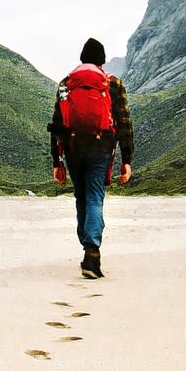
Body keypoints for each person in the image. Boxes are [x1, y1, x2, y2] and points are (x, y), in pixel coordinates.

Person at [48, 37, 134, 279]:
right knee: (95, 196)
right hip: (101, 147)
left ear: (82, 59)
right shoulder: (112, 83)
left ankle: (86, 245)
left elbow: (57, 125)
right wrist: (127, 160)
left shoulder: (66, 83)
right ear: (102, 61)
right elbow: (124, 122)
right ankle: (91, 253)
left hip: (73, 148)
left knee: (81, 197)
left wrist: (57, 162)